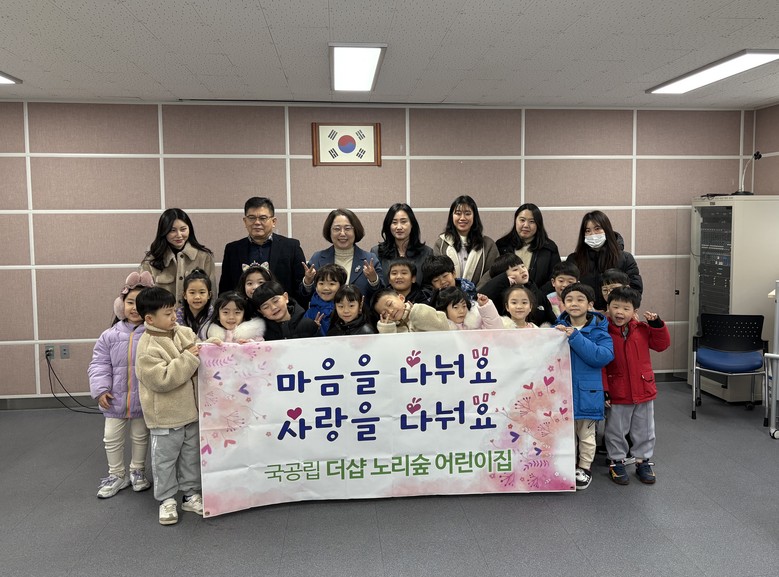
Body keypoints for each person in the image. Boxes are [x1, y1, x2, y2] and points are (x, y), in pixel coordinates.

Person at [134, 286, 210, 525]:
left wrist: (216, 346)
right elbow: (162, 380)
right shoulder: (147, 348)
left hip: (191, 412)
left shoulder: (183, 332)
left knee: (190, 457)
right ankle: (166, 499)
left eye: (174, 311)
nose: (174, 317)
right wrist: (189, 358)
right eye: (167, 314)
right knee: (164, 461)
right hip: (164, 417)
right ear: (150, 319)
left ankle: (190, 494)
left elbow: (202, 349)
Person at [88, 271, 154, 499]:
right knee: (111, 438)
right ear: (121, 305)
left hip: (143, 399)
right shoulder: (109, 335)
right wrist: (101, 389)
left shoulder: (154, 335)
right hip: (114, 399)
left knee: (140, 436)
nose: (135, 308)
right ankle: (116, 474)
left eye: (141, 303)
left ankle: (137, 471)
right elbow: (99, 363)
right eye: (130, 302)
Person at [603, 287, 671, 485]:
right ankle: (616, 461)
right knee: (616, 430)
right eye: (615, 307)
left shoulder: (642, 329)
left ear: (635, 311)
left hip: (643, 388)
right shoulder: (603, 332)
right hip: (618, 390)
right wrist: (605, 390)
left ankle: (643, 461)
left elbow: (661, 345)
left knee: (645, 429)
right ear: (608, 308)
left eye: (626, 308)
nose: (619, 312)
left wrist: (657, 325)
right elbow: (601, 365)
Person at [554, 282, 614, 490]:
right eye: (569, 299)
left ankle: (584, 468)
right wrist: (555, 335)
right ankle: (567, 465)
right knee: (565, 434)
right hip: (562, 392)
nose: (574, 303)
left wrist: (575, 337)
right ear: (563, 304)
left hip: (588, 392)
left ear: (590, 305)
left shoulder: (599, 331)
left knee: (587, 435)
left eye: (580, 299)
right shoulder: (556, 329)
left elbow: (602, 357)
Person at [218, 197, 306, 301]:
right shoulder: (232, 250)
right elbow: (225, 290)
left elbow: (300, 289)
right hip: (245, 310)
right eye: (251, 218)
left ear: (273, 221)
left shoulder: (291, 247)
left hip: (280, 309)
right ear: (245, 221)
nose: (257, 222)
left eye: (263, 218)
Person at [301, 208, 383, 303]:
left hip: (361, 312)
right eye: (337, 229)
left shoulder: (369, 259)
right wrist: (308, 282)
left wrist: (373, 280)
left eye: (347, 228)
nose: (342, 233)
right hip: (325, 312)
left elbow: (381, 296)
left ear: (355, 231)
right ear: (329, 232)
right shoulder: (318, 258)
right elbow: (304, 297)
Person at [567, 210, 642, 311]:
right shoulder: (574, 260)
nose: (593, 234)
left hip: (616, 315)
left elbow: (635, 291)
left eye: (597, 229)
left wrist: (615, 310)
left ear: (607, 229)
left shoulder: (625, 258)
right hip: (584, 315)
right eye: (588, 231)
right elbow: (567, 290)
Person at [140, 208, 216, 306]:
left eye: (183, 229)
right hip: (162, 315)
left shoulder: (204, 257)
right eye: (172, 230)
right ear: (164, 232)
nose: (179, 235)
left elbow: (212, 295)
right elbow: (144, 298)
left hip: (196, 315)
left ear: (189, 229)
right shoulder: (151, 260)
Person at [494, 203, 561, 293]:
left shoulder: (549, 248)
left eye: (532, 221)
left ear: (538, 224)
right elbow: (495, 277)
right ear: (515, 221)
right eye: (522, 220)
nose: (526, 225)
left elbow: (555, 278)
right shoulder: (502, 245)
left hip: (540, 298)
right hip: (506, 298)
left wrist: (537, 296)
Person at [433, 195, 499, 286]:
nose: (462, 218)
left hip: (481, 294)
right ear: (452, 216)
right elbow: (437, 274)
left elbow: (492, 273)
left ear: (474, 216)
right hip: (448, 294)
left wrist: (475, 292)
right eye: (458, 213)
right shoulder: (440, 244)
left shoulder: (488, 245)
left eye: (467, 214)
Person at [478, 253, 556, 326]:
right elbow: (480, 297)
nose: (522, 270)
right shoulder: (498, 294)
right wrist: (503, 280)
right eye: (515, 269)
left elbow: (551, 318)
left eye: (523, 266)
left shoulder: (535, 290)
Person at [371, 203, 433, 284]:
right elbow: (376, 287)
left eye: (403, 222)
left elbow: (429, 286)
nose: (399, 227)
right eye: (394, 222)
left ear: (412, 224)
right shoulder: (377, 252)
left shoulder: (426, 252)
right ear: (389, 225)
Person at [252, 280, 319, 340]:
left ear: (286, 297)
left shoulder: (308, 325)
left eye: (275, 301)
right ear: (261, 312)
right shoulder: (262, 333)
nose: (273, 307)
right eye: (266, 307)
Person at [373, 287, 451, 333]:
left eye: (390, 304)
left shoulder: (420, 310)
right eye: (384, 313)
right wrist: (387, 331)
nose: (390, 311)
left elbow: (444, 327)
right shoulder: (392, 330)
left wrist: (417, 313)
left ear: (401, 298)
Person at [304, 264, 347, 336]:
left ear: (341, 286)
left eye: (331, 284)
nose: (326, 288)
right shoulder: (311, 312)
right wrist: (313, 330)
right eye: (321, 283)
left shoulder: (347, 308)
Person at [432, 287, 503, 330]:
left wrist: (485, 307)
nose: (461, 311)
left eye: (464, 306)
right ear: (444, 310)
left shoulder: (477, 322)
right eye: (456, 307)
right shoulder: (440, 330)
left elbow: (496, 331)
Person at [176, 269, 213, 339]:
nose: (197, 297)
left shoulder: (215, 315)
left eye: (202, 292)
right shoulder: (177, 315)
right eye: (192, 292)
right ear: (185, 295)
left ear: (209, 295)